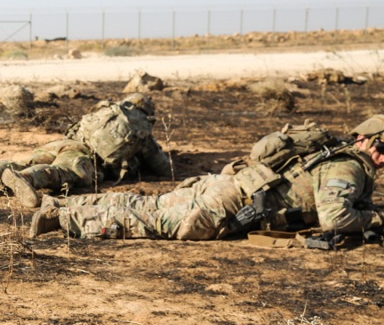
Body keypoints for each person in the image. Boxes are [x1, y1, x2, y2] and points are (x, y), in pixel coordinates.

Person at [29, 114, 384, 240]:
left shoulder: (332, 151)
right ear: (367, 139)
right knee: (151, 219)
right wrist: (375, 217)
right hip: (233, 204)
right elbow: (335, 217)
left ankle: (61, 204)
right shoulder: (347, 166)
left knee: (148, 205)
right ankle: (62, 216)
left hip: (231, 184)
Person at [0, 93, 170, 208]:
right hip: (84, 156)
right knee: (62, 172)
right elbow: (163, 168)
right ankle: (26, 179)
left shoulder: (105, 109)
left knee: (22, 160)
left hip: (62, 143)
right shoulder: (141, 130)